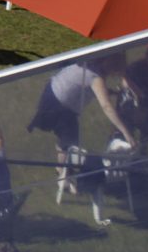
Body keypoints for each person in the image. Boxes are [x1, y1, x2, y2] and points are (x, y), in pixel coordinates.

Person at [28, 53, 136, 199]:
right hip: (60, 106)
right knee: (72, 146)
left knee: (65, 141)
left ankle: (61, 173)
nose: (113, 74)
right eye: (114, 71)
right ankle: (66, 177)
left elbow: (84, 84)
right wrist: (126, 133)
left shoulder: (89, 63)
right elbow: (106, 107)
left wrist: (110, 91)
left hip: (53, 92)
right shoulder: (95, 76)